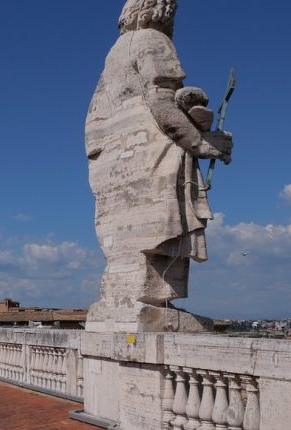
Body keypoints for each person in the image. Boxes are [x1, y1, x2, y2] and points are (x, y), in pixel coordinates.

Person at [85, 0, 232, 328]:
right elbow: (160, 103)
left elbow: (94, 123)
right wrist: (204, 143)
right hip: (150, 153)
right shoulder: (152, 40)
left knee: (130, 242)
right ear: (163, 11)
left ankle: (121, 301)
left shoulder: (114, 53)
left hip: (118, 161)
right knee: (158, 230)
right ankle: (147, 300)